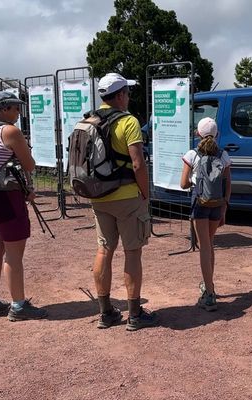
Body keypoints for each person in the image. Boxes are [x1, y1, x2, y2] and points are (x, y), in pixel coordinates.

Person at [90, 73, 156, 331]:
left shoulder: (88, 119)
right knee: (132, 252)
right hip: (127, 196)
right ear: (119, 96)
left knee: (104, 250)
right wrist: (145, 193)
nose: (128, 97)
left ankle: (106, 312)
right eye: (127, 93)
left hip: (99, 196)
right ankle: (135, 314)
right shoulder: (128, 122)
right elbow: (138, 163)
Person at [0, 91, 48, 321]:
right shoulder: (10, 131)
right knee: (14, 255)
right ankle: (18, 306)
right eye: (15, 108)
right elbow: (29, 163)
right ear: (4, 108)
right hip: (6, 197)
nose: (18, 112)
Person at [180, 117, 231, 311]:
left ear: (197, 133)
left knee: (204, 247)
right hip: (218, 204)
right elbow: (228, 184)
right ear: (217, 134)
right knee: (210, 244)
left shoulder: (192, 154)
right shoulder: (223, 155)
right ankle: (209, 284)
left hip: (200, 202)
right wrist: (225, 206)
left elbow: (183, 184)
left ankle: (209, 294)